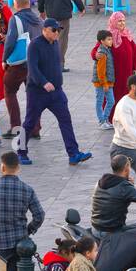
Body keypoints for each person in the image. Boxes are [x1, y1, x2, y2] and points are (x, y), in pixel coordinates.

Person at [20, 19, 92, 168]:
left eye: (58, 30)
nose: (57, 33)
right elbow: (32, 68)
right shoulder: (34, 45)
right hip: (37, 92)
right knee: (30, 122)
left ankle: (73, 154)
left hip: (56, 93)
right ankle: (21, 152)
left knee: (65, 120)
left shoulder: (55, 44)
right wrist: (43, 82)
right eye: (54, 30)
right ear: (45, 29)